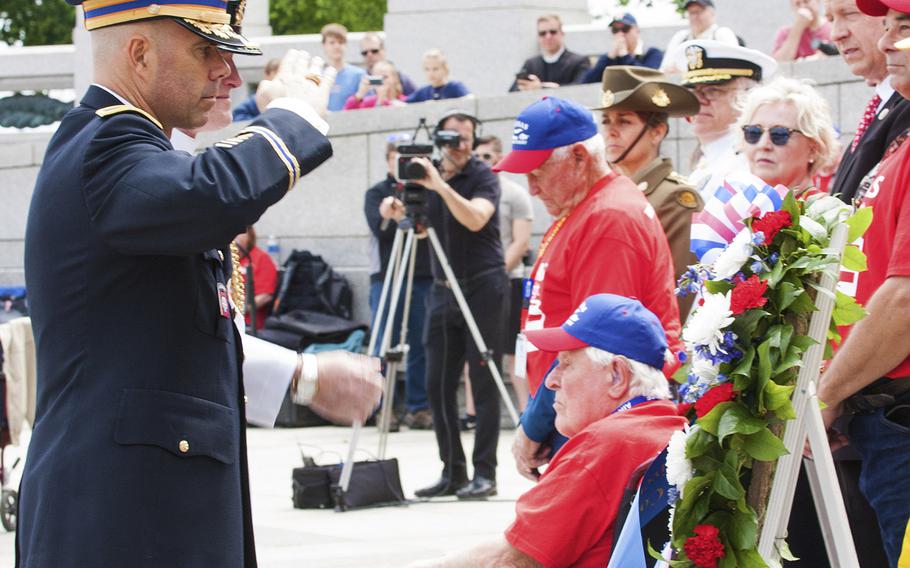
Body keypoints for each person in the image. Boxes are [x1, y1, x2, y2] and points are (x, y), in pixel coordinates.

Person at [18, 2, 382, 566]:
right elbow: (212, 193)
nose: (229, 74)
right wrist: (293, 119)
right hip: (116, 524)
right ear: (139, 53)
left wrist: (302, 376)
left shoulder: (131, 154)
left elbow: (171, 339)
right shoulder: (104, 150)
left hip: (142, 517)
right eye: (206, 51)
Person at [409, 294, 686, 567]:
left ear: (617, 375)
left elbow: (511, 560)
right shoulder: (673, 427)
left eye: (566, 364)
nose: (552, 381)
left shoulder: (605, 443)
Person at [492, 96, 684, 482]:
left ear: (579, 156)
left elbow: (597, 345)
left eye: (538, 171)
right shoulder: (583, 207)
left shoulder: (608, 218)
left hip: (595, 417)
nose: (530, 188)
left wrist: (535, 424)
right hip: (576, 409)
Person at [817, 2, 910, 566]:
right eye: (893, 29)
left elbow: (904, 301)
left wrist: (823, 396)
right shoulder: (896, 136)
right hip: (880, 419)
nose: (892, 42)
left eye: (908, 29)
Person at [389, 110, 507, 500]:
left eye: (467, 138)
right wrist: (399, 210)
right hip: (443, 287)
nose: (461, 146)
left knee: (483, 378)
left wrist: (440, 185)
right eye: (453, 138)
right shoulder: (429, 177)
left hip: (483, 285)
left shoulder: (483, 177)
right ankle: (452, 471)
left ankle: (485, 473)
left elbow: (476, 218)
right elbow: (420, 228)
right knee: (437, 382)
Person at [593, 65, 704, 316]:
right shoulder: (604, 194)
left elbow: (678, 294)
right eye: (607, 121)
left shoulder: (676, 199)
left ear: (657, 132)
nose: (611, 130)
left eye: (624, 121)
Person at [364, 136, 434, 430]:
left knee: (421, 342)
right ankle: (382, 407)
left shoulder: (429, 191)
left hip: (422, 275)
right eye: (398, 159)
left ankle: (419, 407)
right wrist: (388, 217)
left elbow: (433, 229)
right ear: (388, 160)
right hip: (388, 275)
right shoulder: (377, 193)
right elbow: (378, 231)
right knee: (382, 342)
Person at [826, 0, 910, 205]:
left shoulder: (904, 106)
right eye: (830, 19)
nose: (836, 34)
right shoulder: (883, 104)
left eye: (849, 14)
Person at [474, 135, 534, 412]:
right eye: (478, 156)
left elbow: (520, 242)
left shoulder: (515, 194)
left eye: (487, 156)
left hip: (509, 282)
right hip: (476, 284)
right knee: (475, 353)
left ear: (499, 157)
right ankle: (473, 412)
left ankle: (524, 411)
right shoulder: (470, 195)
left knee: (513, 353)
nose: (481, 161)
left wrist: (497, 273)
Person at [677, 40, 778, 199]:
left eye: (712, 90)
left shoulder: (751, 161)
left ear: (747, 96)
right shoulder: (709, 157)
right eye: (693, 92)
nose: (699, 101)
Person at [737, 76, 838, 197]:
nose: (763, 144)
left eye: (779, 134)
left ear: (813, 149)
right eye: (753, 132)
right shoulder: (731, 209)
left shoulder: (831, 214)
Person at [509, 14, 591, 92]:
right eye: (542, 33)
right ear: (538, 37)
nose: (548, 37)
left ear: (562, 34)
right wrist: (524, 87)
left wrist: (542, 87)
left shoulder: (580, 61)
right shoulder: (531, 64)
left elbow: (581, 89)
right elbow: (512, 92)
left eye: (553, 32)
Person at [659, 0, 739, 73]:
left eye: (698, 12)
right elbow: (665, 69)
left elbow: (733, 65)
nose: (694, 17)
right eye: (691, 13)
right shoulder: (680, 37)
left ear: (712, 13)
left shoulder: (722, 33)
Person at [582, 13, 663, 83]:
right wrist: (609, 57)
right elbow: (587, 83)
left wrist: (625, 55)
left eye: (625, 29)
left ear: (636, 30)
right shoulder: (608, 58)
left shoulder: (652, 53)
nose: (620, 34)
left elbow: (647, 79)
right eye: (615, 30)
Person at [234, 225, 278, 331]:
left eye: (239, 233)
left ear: (250, 235)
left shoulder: (261, 258)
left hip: (249, 325)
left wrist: (239, 311)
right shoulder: (226, 259)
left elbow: (265, 296)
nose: (235, 238)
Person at [323, 22, 366, 112]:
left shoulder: (358, 75)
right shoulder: (318, 76)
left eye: (341, 42)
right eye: (332, 42)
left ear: (346, 45)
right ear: (324, 46)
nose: (337, 46)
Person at [407, 49, 471, 103]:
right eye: (427, 69)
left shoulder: (455, 87)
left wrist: (441, 103)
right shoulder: (423, 92)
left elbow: (470, 98)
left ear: (445, 70)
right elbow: (404, 103)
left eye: (435, 69)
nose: (431, 73)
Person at [232, 58, 280, 122]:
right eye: (277, 75)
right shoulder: (255, 100)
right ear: (267, 75)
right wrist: (261, 120)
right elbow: (237, 116)